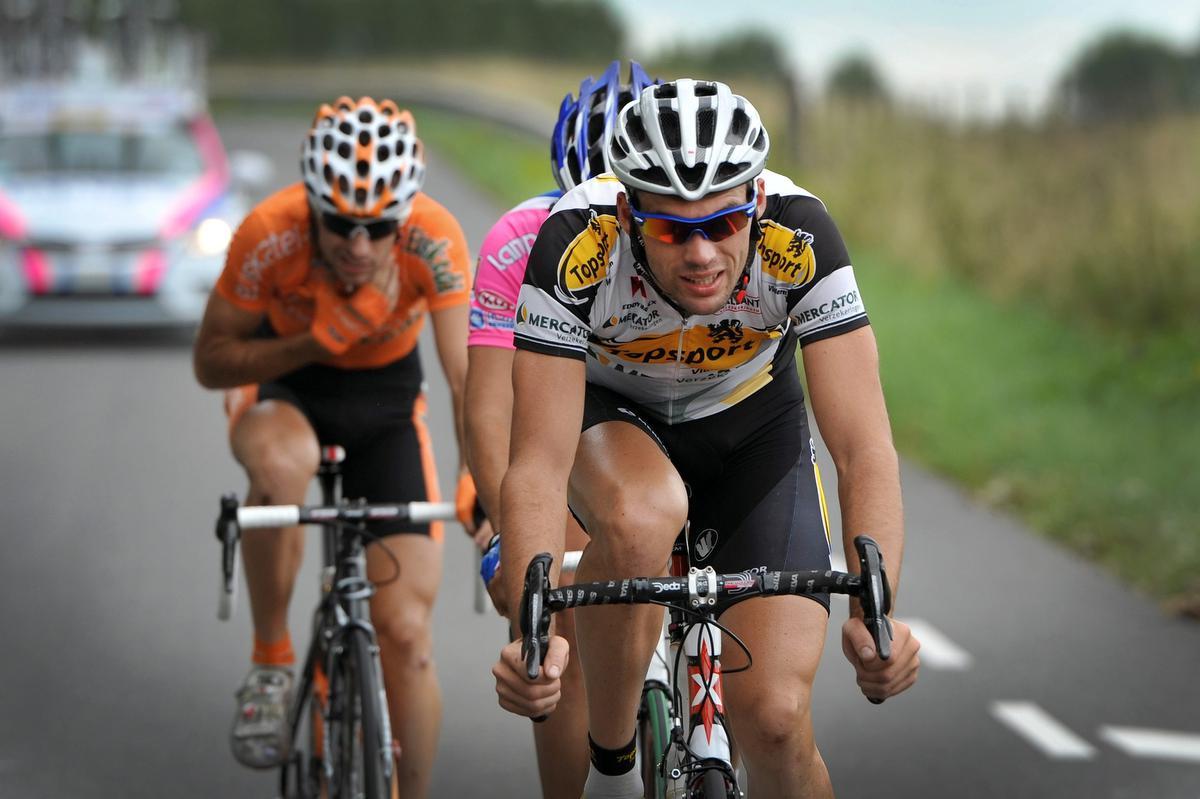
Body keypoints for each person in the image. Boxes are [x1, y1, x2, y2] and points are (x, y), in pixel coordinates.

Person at [492, 79, 922, 798]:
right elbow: (535, 463)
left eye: (721, 224)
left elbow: (864, 448)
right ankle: (613, 763)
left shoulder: (800, 235)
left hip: (751, 427)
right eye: (670, 230)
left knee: (779, 722)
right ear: (629, 213)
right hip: (616, 415)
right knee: (639, 514)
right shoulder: (576, 243)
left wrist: (874, 619)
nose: (700, 252)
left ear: (754, 206)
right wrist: (528, 635)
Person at [192, 96, 475, 797]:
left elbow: (470, 378)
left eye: (379, 226)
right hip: (283, 386)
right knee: (284, 469)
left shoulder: (434, 237)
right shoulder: (269, 233)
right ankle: (271, 655)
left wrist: (481, 480)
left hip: (385, 406)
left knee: (406, 634)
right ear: (312, 206)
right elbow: (212, 361)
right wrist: (313, 342)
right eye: (340, 222)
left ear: (403, 216)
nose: (358, 243)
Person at [465, 61, 655, 799]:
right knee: (562, 627)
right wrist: (513, 541)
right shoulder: (520, 239)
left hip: (665, 419)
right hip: (561, 428)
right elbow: (491, 408)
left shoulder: (701, 235)